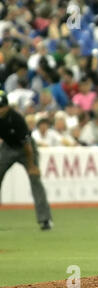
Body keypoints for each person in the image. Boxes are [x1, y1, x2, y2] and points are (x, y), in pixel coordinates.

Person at [0, 91, 53, 230]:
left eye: (1, 107)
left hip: (26, 149)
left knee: (35, 178)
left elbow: (27, 145)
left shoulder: (16, 119)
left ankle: (45, 219)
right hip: (8, 146)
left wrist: (32, 166)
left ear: (7, 107)